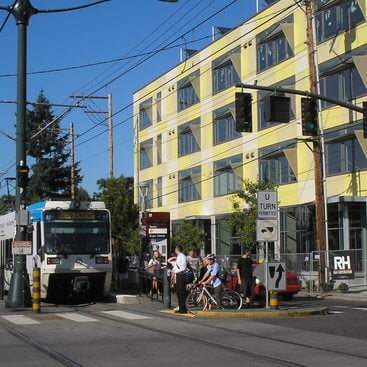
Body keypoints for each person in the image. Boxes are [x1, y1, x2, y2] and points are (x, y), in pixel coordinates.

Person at [172, 245, 188, 314]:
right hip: (177, 275)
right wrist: (173, 270)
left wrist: (176, 271)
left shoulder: (183, 256)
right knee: (178, 292)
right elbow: (176, 266)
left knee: (181, 292)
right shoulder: (178, 257)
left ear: (177, 249)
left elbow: (183, 267)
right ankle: (180, 307)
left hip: (181, 275)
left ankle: (183, 308)